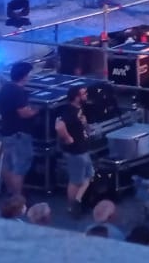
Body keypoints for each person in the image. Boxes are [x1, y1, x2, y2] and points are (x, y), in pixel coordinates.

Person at [0, 60, 40, 201]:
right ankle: (18, 198)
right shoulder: (18, 92)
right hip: (19, 134)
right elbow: (23, 113)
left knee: (7, 164)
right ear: (24, 76)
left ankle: (10, 192)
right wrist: (35, 111)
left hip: (6, 131)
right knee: (19, 167)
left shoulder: (5, 88)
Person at [55, 81, 94, 217]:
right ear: (76, 97)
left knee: (89, 175)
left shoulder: (79, 110)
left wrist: (85, 125)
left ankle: (77, 200)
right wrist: (67, 139)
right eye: (84, 93)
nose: (86, 95)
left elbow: (84, 127)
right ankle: (72, 208)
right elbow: (59, 126)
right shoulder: (69, 112)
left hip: (83, 149)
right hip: (75, 152)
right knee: (76, 181)